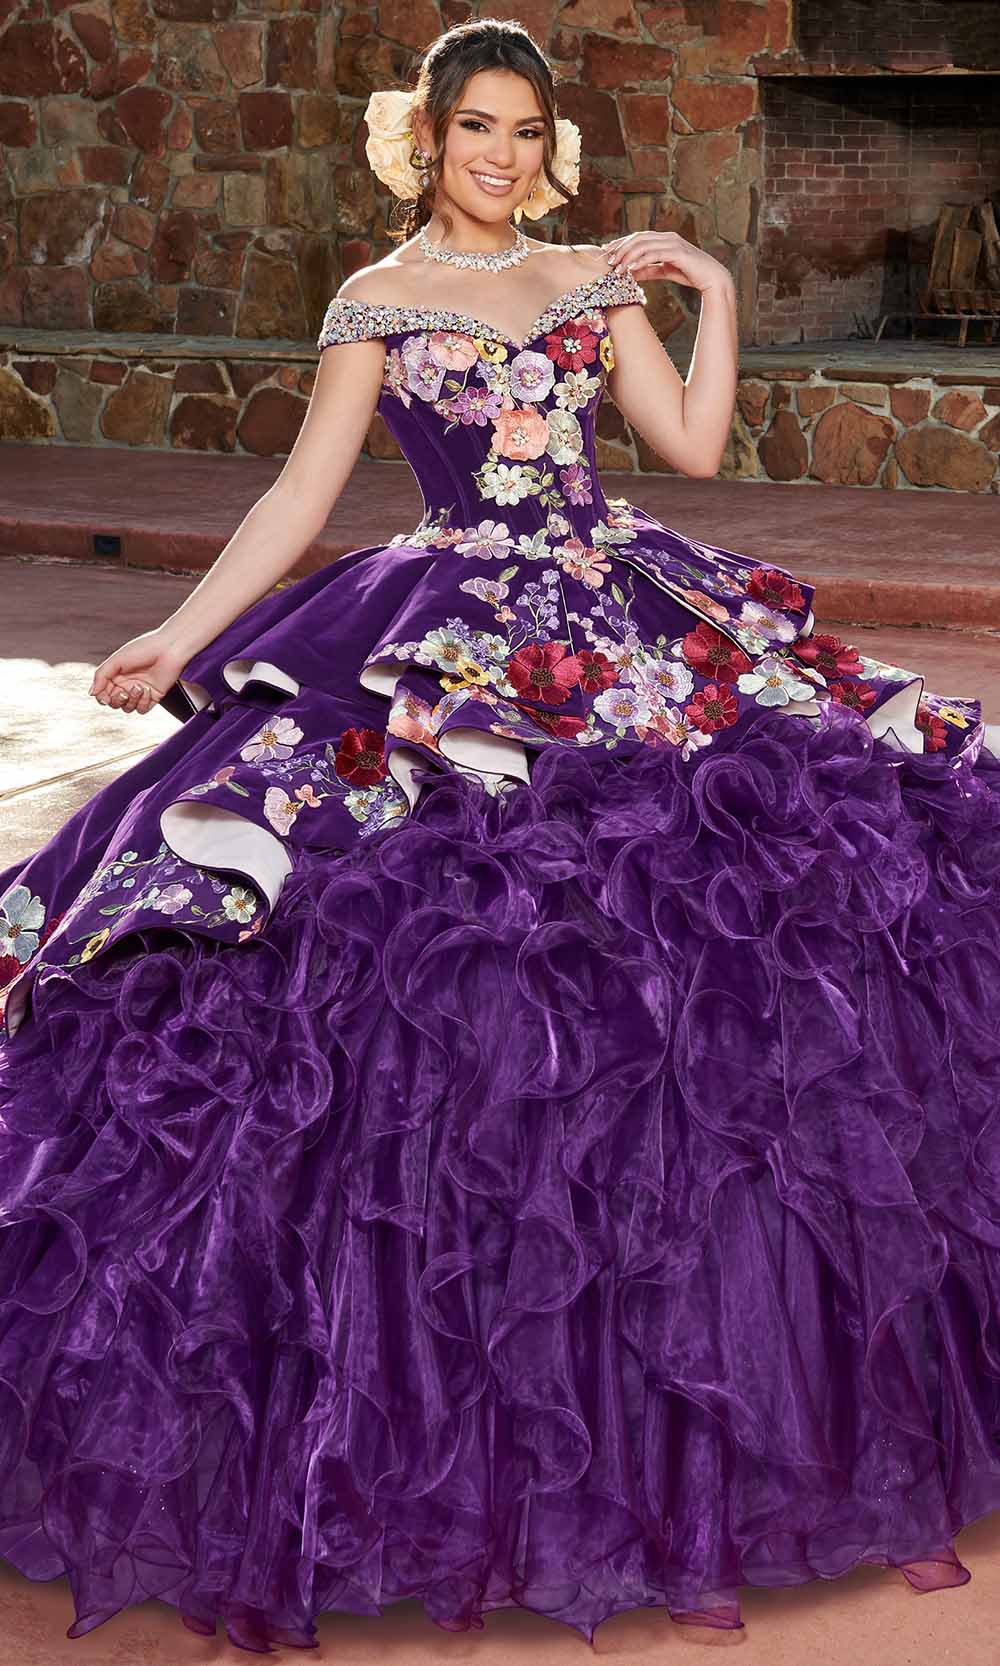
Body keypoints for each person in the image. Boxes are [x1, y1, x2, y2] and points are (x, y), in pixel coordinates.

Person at [1, 14, 998, 1656]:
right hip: (451, 629)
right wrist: (180, 633)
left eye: (526, 130)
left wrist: (714, 294)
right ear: (426, 137)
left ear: (550, 145)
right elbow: (299, 497)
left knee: (724, 908)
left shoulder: (595, 280)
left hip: (620, 612)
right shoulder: (378, 299)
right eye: (476, 126)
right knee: (432, 940)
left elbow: (688, 448)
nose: (501, 155)